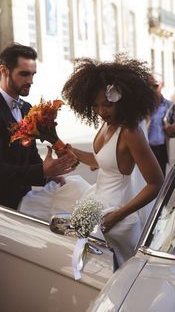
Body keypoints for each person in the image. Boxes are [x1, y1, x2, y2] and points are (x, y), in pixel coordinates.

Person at [59, 56, 163, 268]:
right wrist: (66, 148)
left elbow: (157, 183)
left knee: (115, 273)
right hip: (96, 202)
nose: (101, 111)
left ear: (122, 100)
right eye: (96, 105)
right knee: (84, 265)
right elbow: (100, 162)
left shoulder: (131, 132)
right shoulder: (107, 125)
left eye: (107, 104)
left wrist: (117, 216)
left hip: (115, 214)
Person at [0, 43, 77, 209]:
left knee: (75, 190)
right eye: (24, 74)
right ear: (4, 71)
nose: (30, 81)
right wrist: (42, 171)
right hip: (3, 209)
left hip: (24, 202)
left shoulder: (27, 108)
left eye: (33, 74)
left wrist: (50, 175)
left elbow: (31, 156)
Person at [148, 78, 175, 176]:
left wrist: (172, 129)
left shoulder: (169, 105)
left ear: (162, 85)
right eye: (149, 85)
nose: (152, 88)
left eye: (155, 86)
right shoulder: (143, 105)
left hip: (162, 147)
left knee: (161, 177)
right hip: (146, 147)